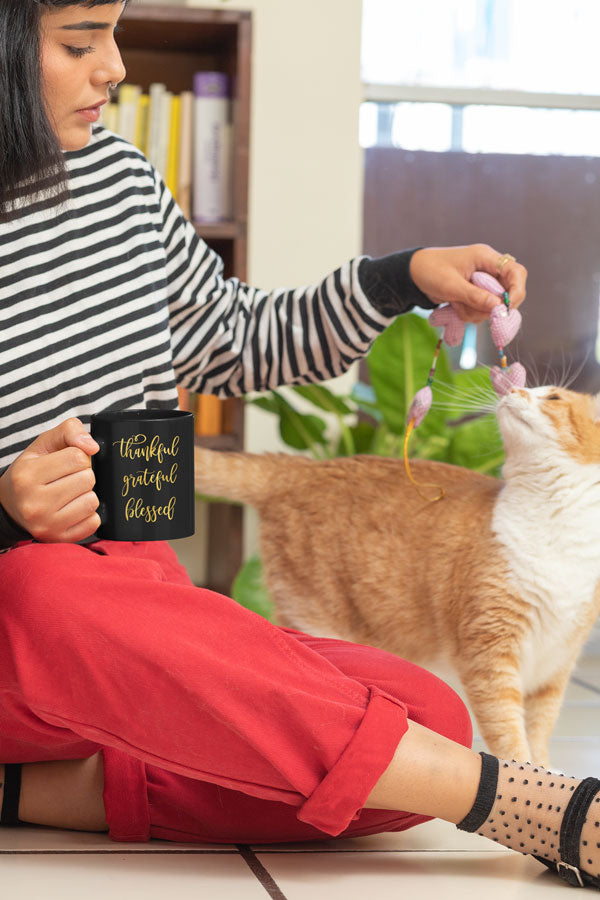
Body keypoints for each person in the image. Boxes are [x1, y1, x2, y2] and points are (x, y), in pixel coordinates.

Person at [0, 0, 598, 890]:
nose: (114, 67)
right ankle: (519, 803)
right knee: (46, 590)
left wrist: (400, 278)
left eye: (114, 35)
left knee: (421, 710)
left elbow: (237, 338)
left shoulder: (121, 180)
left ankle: (28, 792)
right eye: (80, 42)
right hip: (37, 617)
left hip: (146, 609)